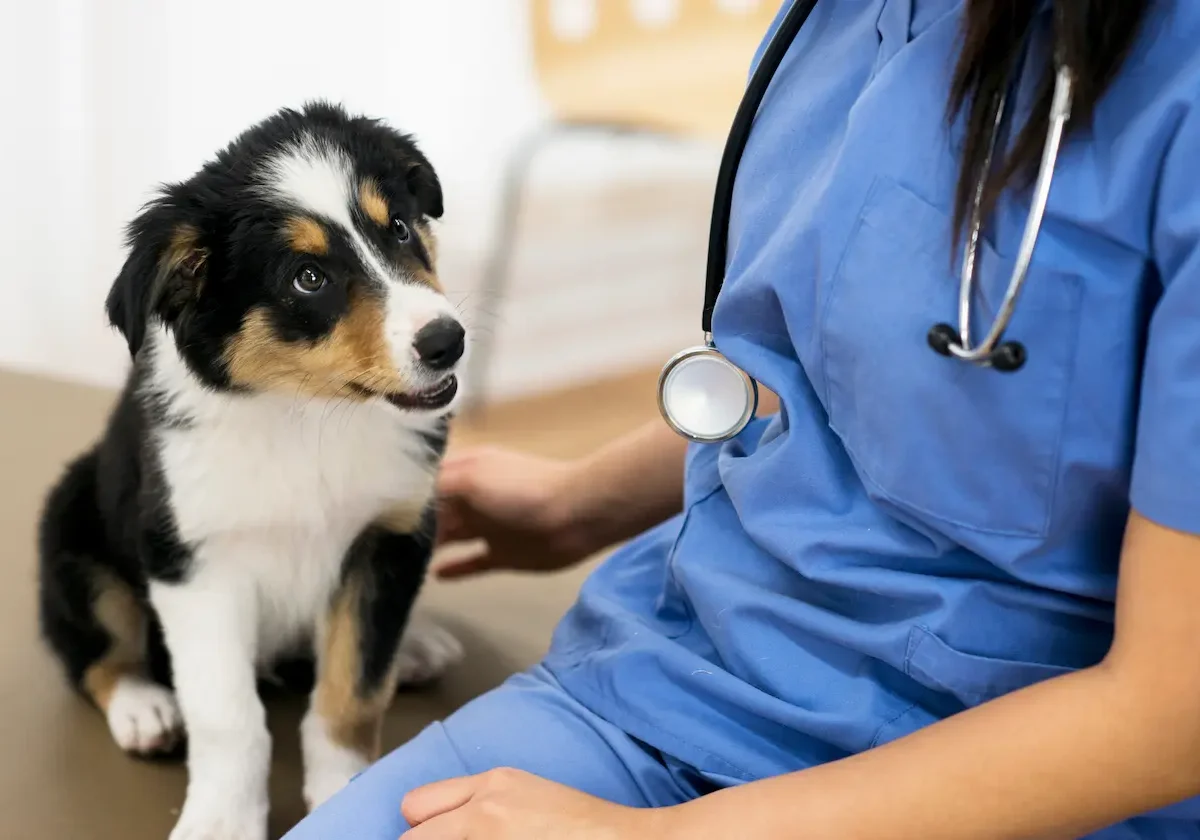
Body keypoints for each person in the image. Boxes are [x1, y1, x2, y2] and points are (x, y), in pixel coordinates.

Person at [286, 1, 1200, 837]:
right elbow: (816, 367)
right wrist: (581, 502)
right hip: (677, 681)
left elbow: (1169, 715)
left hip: (1003, 779)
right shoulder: (844, 21)